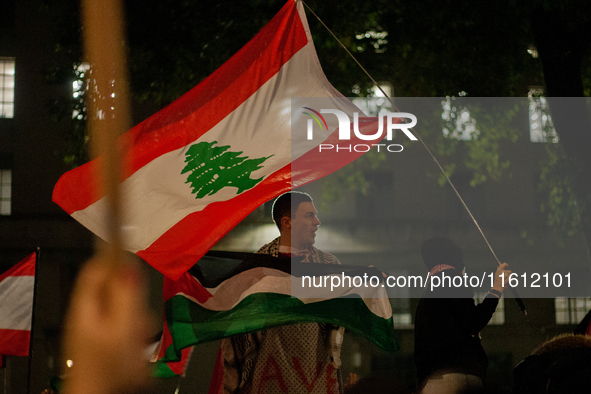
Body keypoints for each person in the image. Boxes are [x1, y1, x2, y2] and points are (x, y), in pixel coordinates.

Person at [221, 191, 344, 394]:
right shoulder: (257, 266)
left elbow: (344, 318)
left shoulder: (328, 265)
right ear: (287, 222)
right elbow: (239, 327)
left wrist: (362, 285)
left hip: (317, 374)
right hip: (269, 375)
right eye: (309, 216)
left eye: (315, 215)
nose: (317, 222)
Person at [414, 237, 511, 394]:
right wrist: (496, 289)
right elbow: (473, 321)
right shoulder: (451, 278)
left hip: (432, 379)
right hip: (455, 377)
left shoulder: (430, 291)